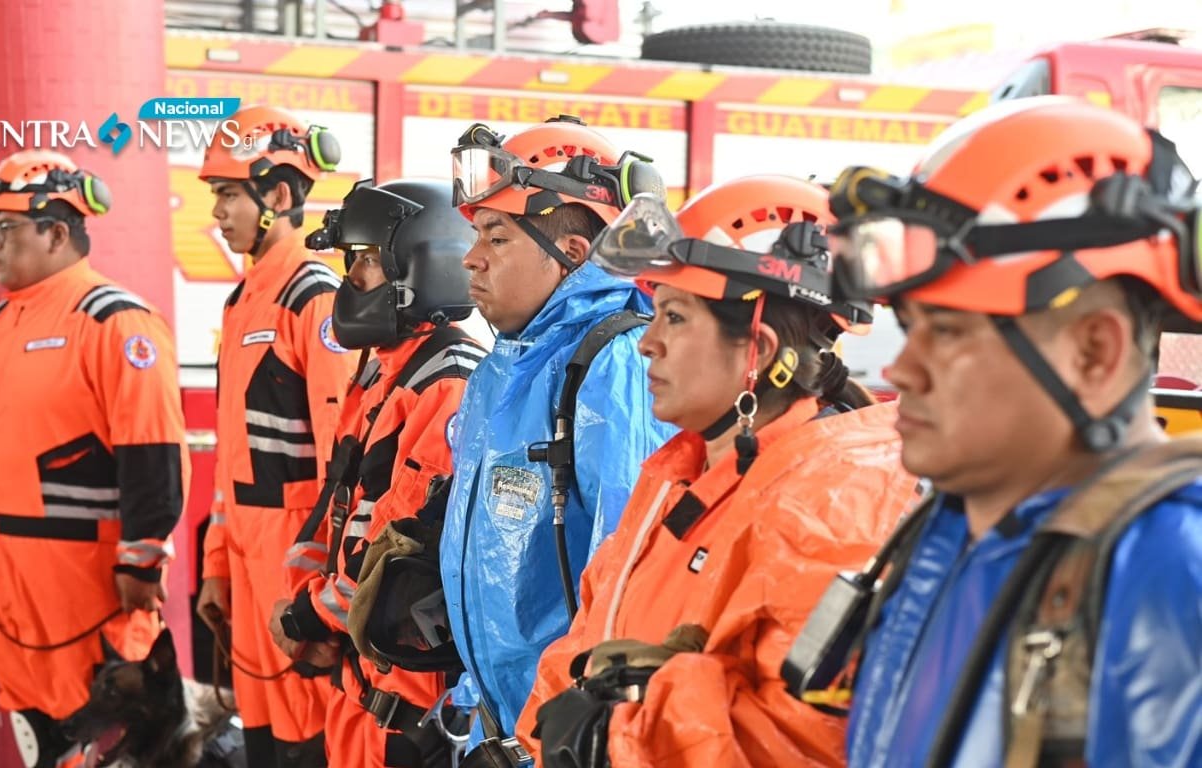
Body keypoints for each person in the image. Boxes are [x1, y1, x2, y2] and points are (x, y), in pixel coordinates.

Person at [825, 96, 1202, 767]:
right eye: (910, 326)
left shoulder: (1171, 569)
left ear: (1094, 354)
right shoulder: (946, 528)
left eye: (947, 332)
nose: (901, 368)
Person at [516, 175, 916, 768]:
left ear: (759, 350)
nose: (647, 343)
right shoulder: (678, 473)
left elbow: (805, 744)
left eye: (674, 317)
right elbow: (585, 645)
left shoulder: (828, 507)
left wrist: (614, 737)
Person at [440, 115, 678, 746]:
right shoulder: (498, 369)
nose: (471, 257)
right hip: (496, 725)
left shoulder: (616, 364)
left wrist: (576, 730)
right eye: (476, 234)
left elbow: (625, 584)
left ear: (570, 254)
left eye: (497, 237)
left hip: (561, 734)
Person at [0, 150, 189, 768]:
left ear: (57, 232)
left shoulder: (116, 321)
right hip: (9, 599)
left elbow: (153, 451)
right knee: (42, 746)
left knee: (109, 746)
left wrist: (143, 556)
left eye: (5, 228)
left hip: (86, 601)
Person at [267, 178, 484, 767]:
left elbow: (398, 547)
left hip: (407, 703)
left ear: (422, 268)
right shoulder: (382, 372)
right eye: (352, 260)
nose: (352, 280)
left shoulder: (448, 383)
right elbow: (338, 506)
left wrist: (308, 617)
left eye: (366, 260)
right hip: (357, 687)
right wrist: (302, 607)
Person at [194, 105, 358, 767]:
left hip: (296, 566)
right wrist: (215, 565)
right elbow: (231, 455)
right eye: (217, 195)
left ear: (280, 196)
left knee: (308, 746)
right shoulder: (242, 302)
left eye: (229, 194)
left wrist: (323, 592)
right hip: (246, 562)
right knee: (261, 744)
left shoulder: (313, 296)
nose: (217, 211)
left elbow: (343, 461)